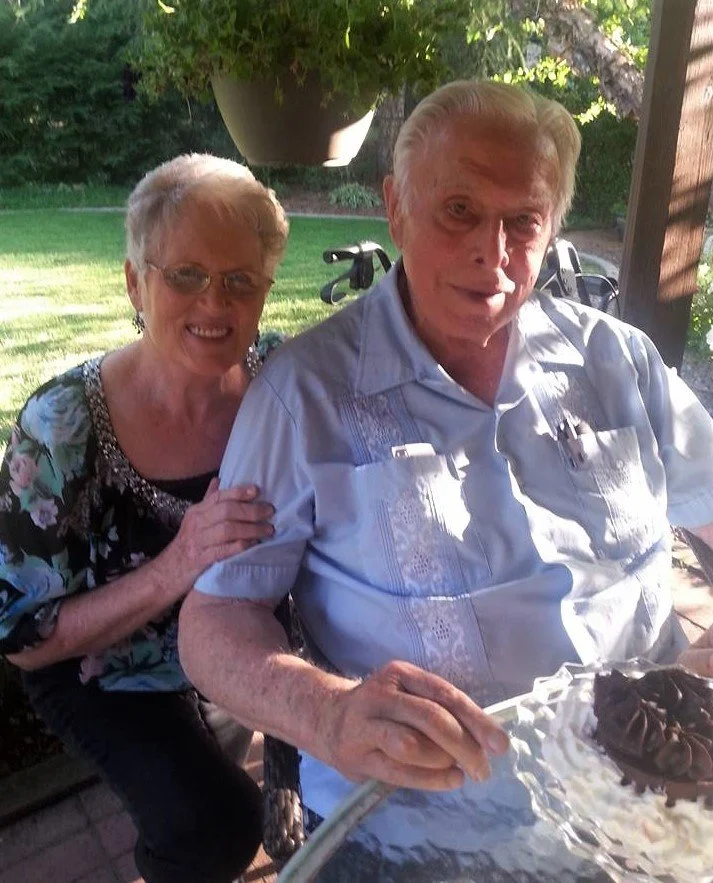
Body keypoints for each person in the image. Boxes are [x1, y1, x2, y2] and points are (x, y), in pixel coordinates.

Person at [178, 81, 713, 874]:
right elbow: (215, 619)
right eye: (458, 210)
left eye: (521, 220)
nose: (491, 252)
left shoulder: (618, 360)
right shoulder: (302, 397)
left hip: (655, 796)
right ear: (395, 209)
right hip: (429, 830)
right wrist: (326, 714)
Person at [0, 153, 288, 883]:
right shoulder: (60, 425)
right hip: (104, 669)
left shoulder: (283, 382)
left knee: (278, 802)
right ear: (134, 281)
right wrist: (179, 562)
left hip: (233, 643)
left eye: (238, 281)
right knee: (213, 827)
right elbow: (24, 639)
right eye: (185, 274)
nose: (214, 305)